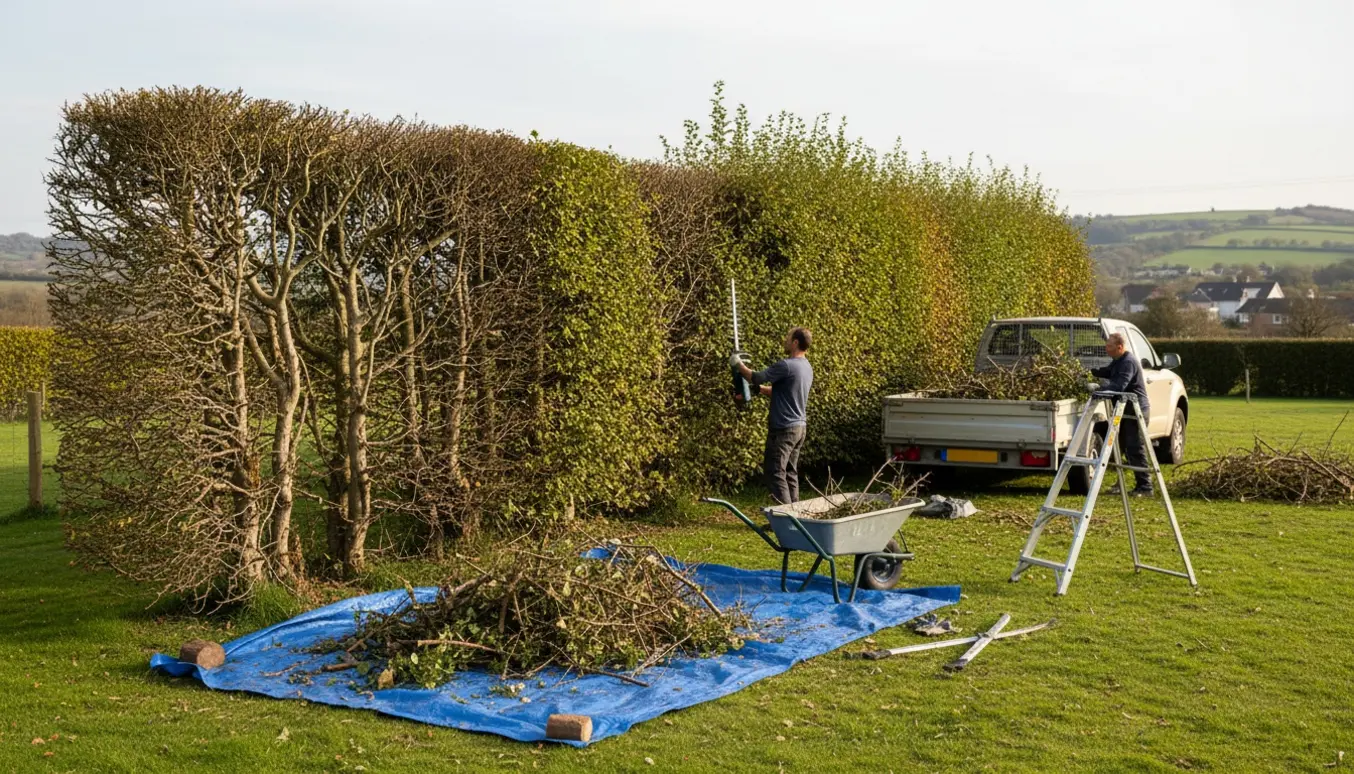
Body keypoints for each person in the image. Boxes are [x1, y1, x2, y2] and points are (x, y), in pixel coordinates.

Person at [732, 327, 814, 504]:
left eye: (788, 337)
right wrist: (758, 390)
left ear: (795, 342)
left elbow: (758, 377)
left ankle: (786, 520)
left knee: (775, 472)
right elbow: (781, 392)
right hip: (799, 428)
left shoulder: (787, 365)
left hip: (783, 430)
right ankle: (796, 517)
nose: (786, 340)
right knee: (790, 473)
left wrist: (738, 365)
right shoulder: (806, 367)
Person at [1091, 332, 1153, 496]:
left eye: (1109, 346)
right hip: (1124, 411)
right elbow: (1107, 372)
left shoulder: (1128, 362)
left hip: (1136, 411)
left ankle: (1145, 487)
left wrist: (1098, 389)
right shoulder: (1118, 361)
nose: (1106, 348)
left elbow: (1119, 386)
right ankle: (1121, 484)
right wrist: (1089, 372)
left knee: (1135, 448)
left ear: (1120, 347)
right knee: (1121, 448)